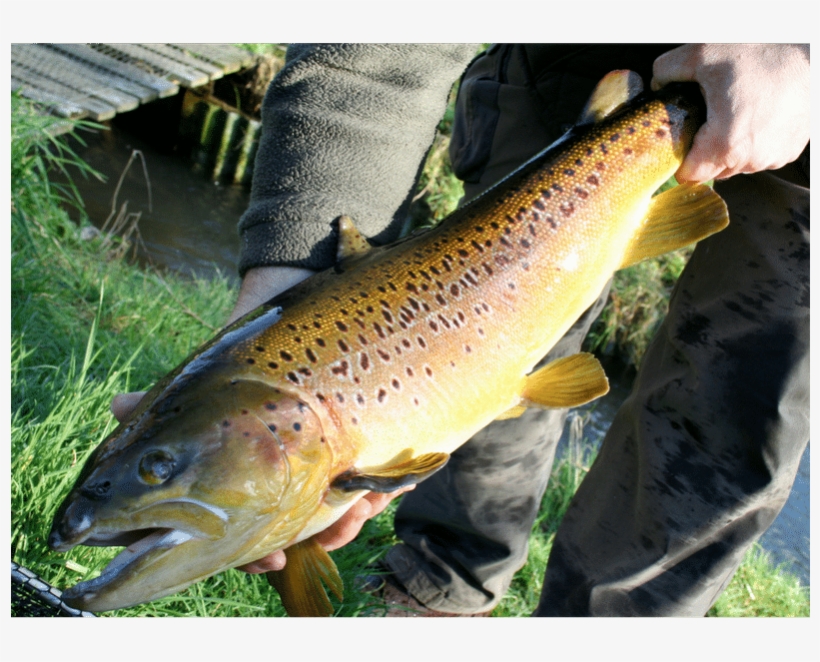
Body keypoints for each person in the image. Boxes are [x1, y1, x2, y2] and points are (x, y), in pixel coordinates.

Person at [113, 43, 810, 616]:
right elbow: (371, 52)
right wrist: (291, 273)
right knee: (481, 370)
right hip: (566, 60)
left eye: (157, 468)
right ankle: (438, 589)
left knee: (730, 426)